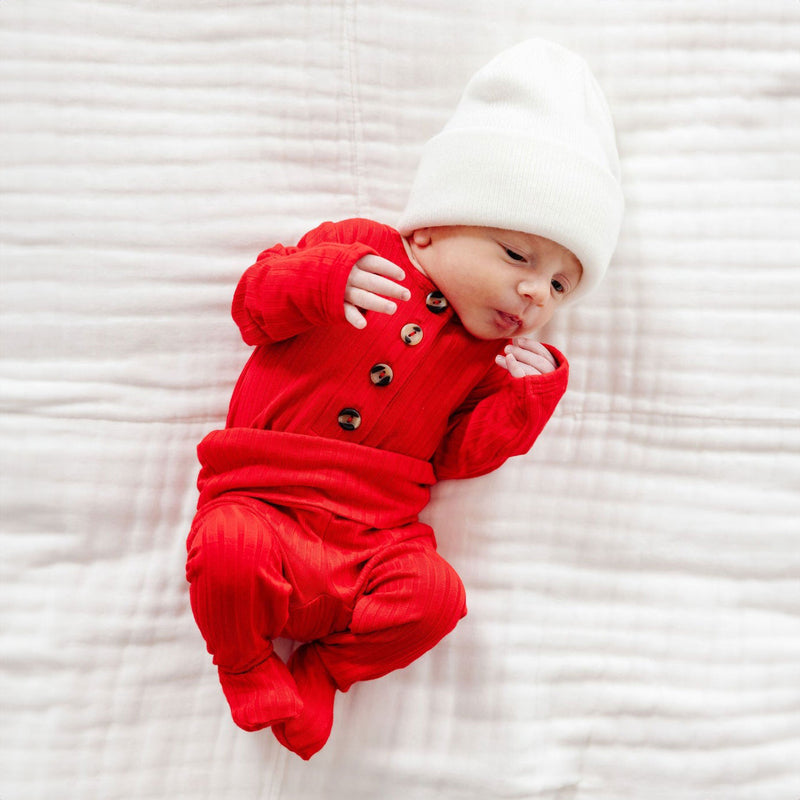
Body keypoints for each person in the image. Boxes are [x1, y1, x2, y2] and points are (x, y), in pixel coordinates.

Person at [185, 37, 624, 760]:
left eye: (559, 285)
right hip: (264, 499)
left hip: (376, 537)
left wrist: (526, 400)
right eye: (517, 255)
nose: (534, 293)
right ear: (430, 227)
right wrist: (324, 281)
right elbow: (253, 308)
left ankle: (324, 672)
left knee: (436, 598)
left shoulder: (489, 361)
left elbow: (459, 457)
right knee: (226, 549)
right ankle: (246, 665)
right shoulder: (358, 247)